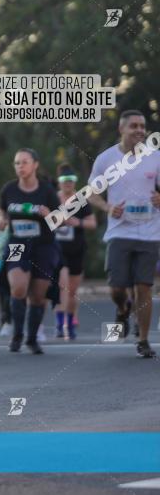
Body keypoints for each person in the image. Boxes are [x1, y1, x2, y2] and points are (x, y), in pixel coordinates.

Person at [86, 109, 158, 358]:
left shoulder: (155, 157)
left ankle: (144, 340)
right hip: (119, 232)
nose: (139, 130)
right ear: (122, 129)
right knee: (117, 288)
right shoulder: (106, 159)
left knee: (144, 287)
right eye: (134, 126)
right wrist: (107, 207)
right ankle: (123, 308)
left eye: (142, 126)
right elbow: (91, 192)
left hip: (150, 232)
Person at [0, 148, 59, 354]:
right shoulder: (9, 189)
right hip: (17, 243)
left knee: (38, 296)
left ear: (35, 165)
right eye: (17, 163)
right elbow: (1, 208)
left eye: (24, 162)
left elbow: (61, 221)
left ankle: (32, 339)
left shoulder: (47, 190)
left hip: (43, 246)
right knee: (18, 289)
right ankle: (17, 336)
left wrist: (49, 214)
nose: (20, 166)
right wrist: (1, 219)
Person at [52, 163, 97, 339]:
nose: (68, 184)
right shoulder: (53, 199)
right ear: (59, 182)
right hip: (56, 251)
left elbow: (92, 223)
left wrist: (76, 222)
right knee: (60, 288)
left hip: (76, 250)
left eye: (71, 180)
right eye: (65, 180)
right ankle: (58, 324)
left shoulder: (80, 201)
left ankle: (69, 325)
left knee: (71, 290)